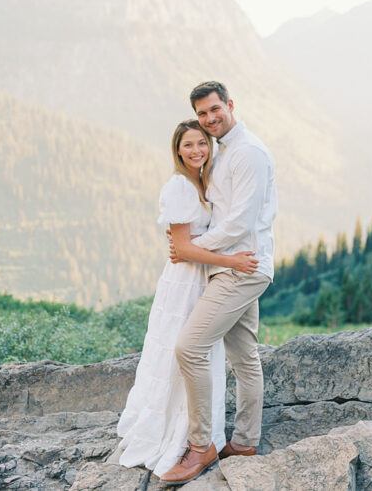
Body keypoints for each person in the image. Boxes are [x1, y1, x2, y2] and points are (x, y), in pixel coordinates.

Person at [116, 120, 260, 478]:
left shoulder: (203, 182)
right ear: (177, 150)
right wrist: (232, 260)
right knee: (182, 352)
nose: (196, 150)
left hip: (205, 277)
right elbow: (181, 248)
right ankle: (183, 435)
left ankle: (205, 435)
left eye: (202, 143)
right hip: (185, 281)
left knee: (201, 353)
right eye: (188, 145)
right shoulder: (180, 186)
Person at [160, 81, 277, 485]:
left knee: (189, 347)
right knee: (246, 357)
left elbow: (239, 223)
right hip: (234, 265)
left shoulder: (249, 153)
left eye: (215, 110)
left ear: (230, 105)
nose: (210, 119)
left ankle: (200, 446)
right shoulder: (222, 151)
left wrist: (192, 248)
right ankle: (245, 442)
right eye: (203, 114)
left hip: (239, 268)